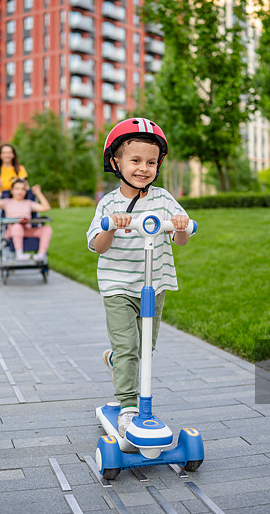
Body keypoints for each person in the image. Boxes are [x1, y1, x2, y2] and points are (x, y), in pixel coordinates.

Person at [86, 117, 192, 437]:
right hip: (118, 286)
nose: (143, 168)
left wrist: (182, 225)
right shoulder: (109, 203)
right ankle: (129, 407)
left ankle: (117, 360)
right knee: (131, 346)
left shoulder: (162, 199)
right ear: (116, 162)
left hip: (154, 285)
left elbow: (181, 236)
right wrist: (110, 226)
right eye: (135, 160)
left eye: (150, 161)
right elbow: (98, 246)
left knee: (146, 347)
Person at [0, 179, 52, 262]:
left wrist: (38, 194)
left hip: (27, 229)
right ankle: (19, 254)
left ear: (25, 191)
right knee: (17, 226)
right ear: (12, 191)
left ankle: (41, 255)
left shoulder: (28, 203)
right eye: (17, 189)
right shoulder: (7, 202)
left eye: (22, 189)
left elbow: (46, 207)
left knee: (47, 229)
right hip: (12, 231)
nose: (20, 192)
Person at [0, 144, 28, 226]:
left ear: (13, 155)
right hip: (3, 200)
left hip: (18, 200)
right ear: (0, 155)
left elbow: (25, 187)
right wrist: (7, 196)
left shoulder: (20, 169)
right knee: (2, 226)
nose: (7, 155)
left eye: (9, 152)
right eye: (4, 153)